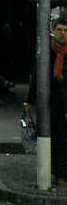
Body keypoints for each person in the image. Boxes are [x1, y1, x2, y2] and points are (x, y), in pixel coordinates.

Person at [26, 17, 67, 187]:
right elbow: (37, 76)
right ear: (53, 30)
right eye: (59, 30)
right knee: (56, 138)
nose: (63, 33)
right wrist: (29, 100)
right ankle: (58, 174)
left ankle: (61, 173)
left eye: (65, 30)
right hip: (51, 104)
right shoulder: (46, 52)